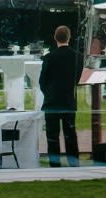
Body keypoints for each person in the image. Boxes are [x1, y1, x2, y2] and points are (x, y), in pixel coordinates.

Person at [39, 25, 84, 167]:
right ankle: (73, 162)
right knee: (70, 134)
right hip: (68, 99)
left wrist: (48, 93)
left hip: (52, 101)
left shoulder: (49, 57)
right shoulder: (78, 57)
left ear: (55, 38)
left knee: (52, 136)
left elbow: (42, 81)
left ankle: (55, 163)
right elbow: (78, 78)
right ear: (69, 38)